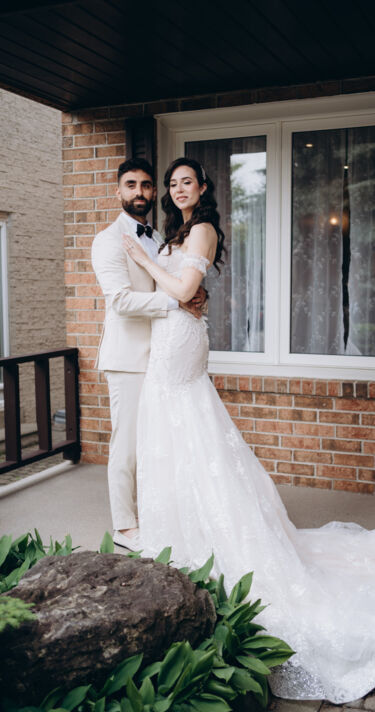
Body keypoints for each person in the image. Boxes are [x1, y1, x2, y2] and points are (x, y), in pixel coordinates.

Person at [123, 157, 375, 704]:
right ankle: (182, 535)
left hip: (180, 340)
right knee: (174, 437)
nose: (179, 189)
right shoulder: (177, 232)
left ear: (202, 188)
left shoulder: (202, 229)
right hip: (168, 337)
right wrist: (170, 280)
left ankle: (217, 538)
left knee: (189, 428)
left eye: (187, 182)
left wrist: (145, 261)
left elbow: (182, 291)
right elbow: (180, 290)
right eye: (173, 183)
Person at [91, 158, 206, 552]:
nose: (139, 192)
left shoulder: (157, 236)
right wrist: (177, 303)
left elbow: (173, 280)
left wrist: (191, 294)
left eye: (145, 185)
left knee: (156, 442)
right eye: (130, 185)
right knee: (126, 446)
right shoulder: (108, 240)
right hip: (127, 358)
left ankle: (157, 516)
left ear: (154, 192)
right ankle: (124, 526)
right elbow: (121, 301)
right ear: (118, 191)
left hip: (162, 354)